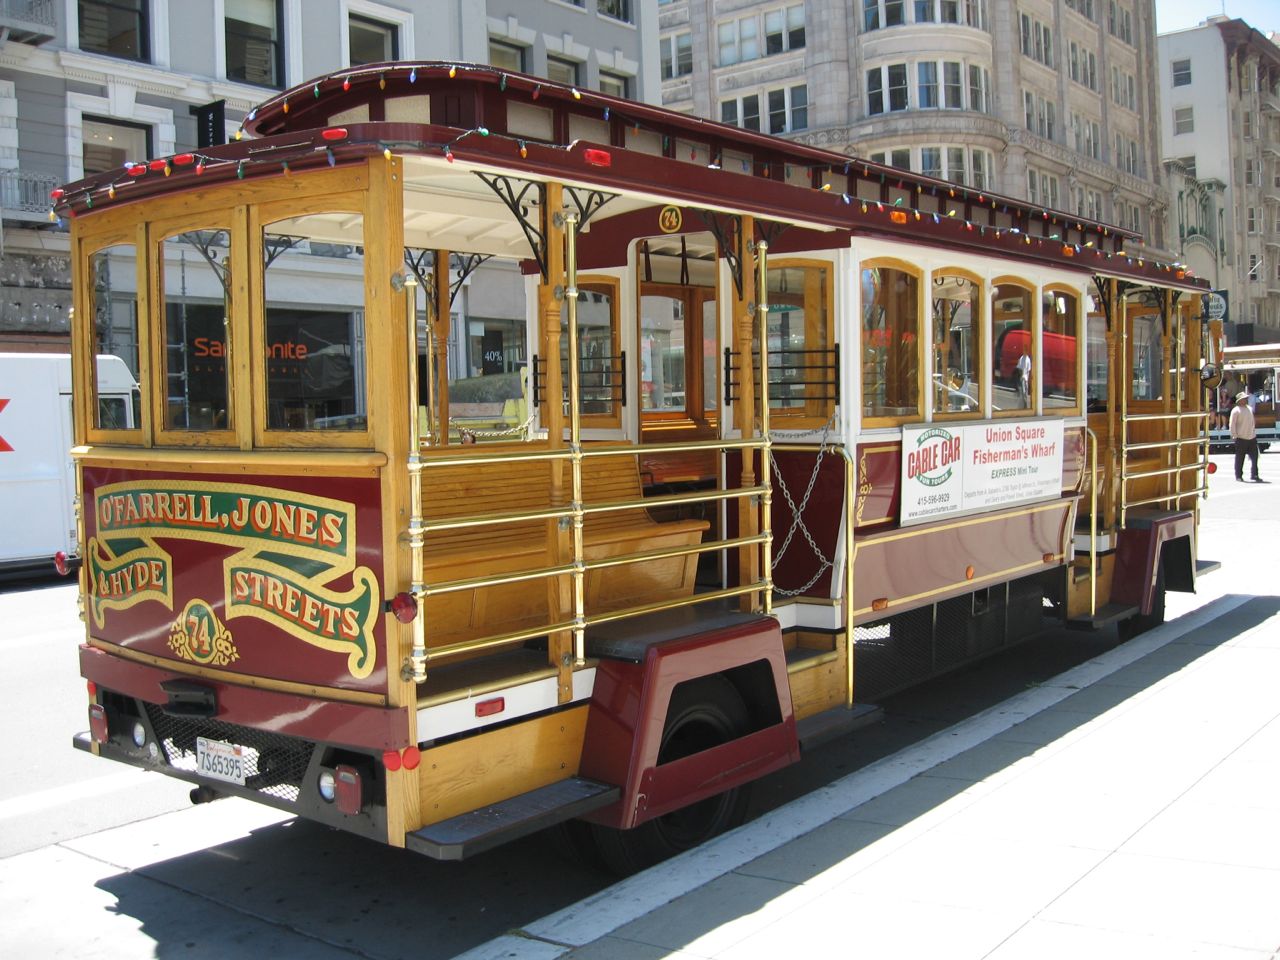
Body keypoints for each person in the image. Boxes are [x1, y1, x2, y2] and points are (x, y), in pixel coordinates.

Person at [1229, 391, 1263, 483]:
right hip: (1241, 438)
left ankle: (1254, 474)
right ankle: (1239, 475)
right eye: (1244, 398)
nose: (1246, 399)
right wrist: (1234, 435)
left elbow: (1252, 422)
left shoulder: (1249, 408)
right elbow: (1232, 424)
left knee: (1255, 458)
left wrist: (1254, 432)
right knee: (1240, 458)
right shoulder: (1236, 410)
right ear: (1239, 400)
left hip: (1252, 437)